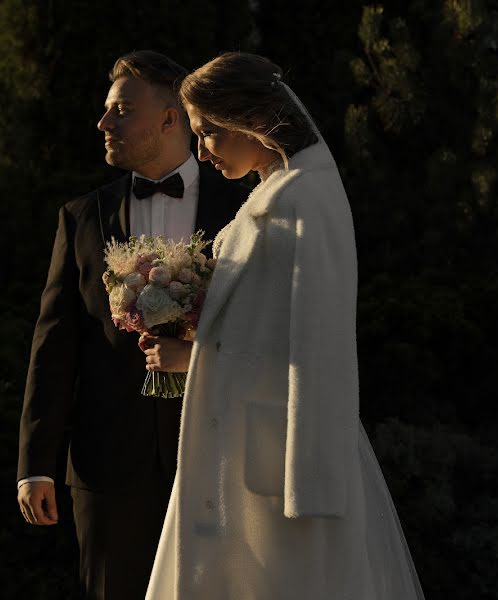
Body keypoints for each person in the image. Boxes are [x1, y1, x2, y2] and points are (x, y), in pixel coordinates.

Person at [143, 52, 426, 599]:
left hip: (283, 468)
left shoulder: (306, 199)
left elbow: (320, 344)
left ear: (247, 117)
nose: (201, 150)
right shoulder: (277, 192)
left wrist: (193, 358)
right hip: (244, 455)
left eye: (209, 133)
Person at [16, 50, 246, 600]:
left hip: (219, 458)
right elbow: (55, 346)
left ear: (171, 120)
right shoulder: (82, 217)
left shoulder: (245, 209)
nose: (104, 123)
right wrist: (35, 464)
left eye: (121, 109)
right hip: (105, 466)